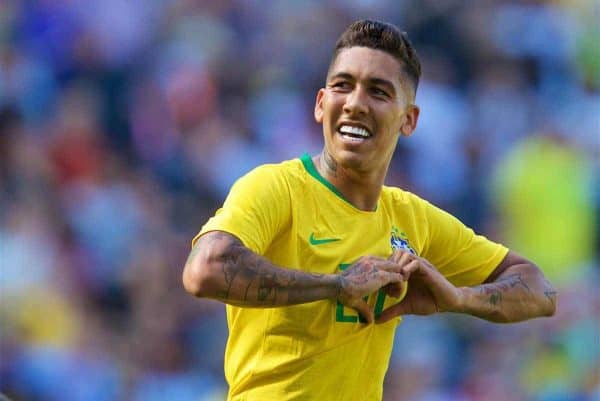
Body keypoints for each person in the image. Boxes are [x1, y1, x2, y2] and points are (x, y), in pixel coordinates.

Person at [182, 19, 557, 401]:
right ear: (321, 104)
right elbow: (204, 270)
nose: (356, 103)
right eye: (343, 86)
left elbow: (540, 290)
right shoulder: (276, 188)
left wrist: (459, 299)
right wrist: (336, 286)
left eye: (378, 92)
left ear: (408, 119)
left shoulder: (412, 218)